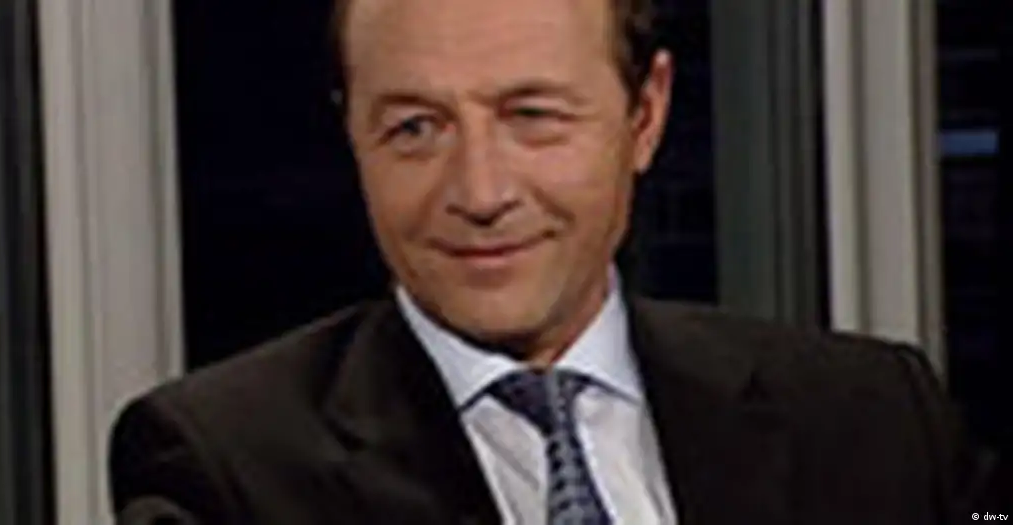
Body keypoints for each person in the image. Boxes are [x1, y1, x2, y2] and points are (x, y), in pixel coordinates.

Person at [109, 0, 1002, 523]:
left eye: (532, 117)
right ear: (353, 134)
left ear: (645, 115)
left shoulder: (870, 413)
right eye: (415, 128)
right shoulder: (224, 467)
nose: (480, 189)